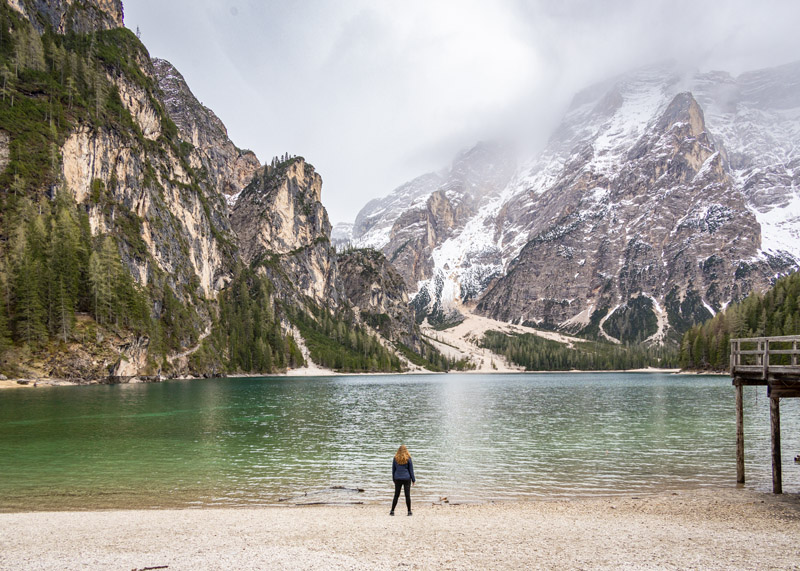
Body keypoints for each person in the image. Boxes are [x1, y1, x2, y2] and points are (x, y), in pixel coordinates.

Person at [390, 444, 415, 516]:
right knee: (407, 495)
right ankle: (409, 511)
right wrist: (413, 479)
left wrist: (393, 479)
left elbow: (393, 470)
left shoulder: (395, 458)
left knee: (396, 495)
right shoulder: (408, 458)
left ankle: (392, 511)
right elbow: (411, 470)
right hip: (407, 478)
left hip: (397, 478)